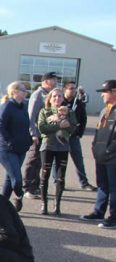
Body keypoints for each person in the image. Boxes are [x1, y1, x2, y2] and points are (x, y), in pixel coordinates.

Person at [80, 80, 116, 229]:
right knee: (102, 185)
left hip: (113, 156)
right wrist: (95, 146)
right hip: (100, 155)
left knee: (114, 188)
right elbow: (98, 131)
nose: (102, 95)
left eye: (105, 92)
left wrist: (110, 150)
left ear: (114, 91)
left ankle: (114, 217)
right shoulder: (105, 110)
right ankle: (98, 211)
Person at [38, 88, 77, 215]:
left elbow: (73, 128)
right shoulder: (45, 111)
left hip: (63, 147)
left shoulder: (69, 111)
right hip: (48, 146)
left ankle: (57, 204)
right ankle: (44, 204)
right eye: (54, 96)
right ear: (50, 98)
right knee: (45, 175)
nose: (57, 99)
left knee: (60, 177)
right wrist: (59, 125)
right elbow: (42, 128)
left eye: (60, 96)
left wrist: (66, 124)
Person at [0, 81, 32, 212]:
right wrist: (10, 141)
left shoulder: (23, 107)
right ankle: (19, 196)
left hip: (21, 148)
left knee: (10, 177)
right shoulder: (7, 106)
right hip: (6, 148)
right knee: (16, 178)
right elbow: (0, 127)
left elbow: (26, 126)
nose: (25, 92)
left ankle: (1, 206)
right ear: (14, 91)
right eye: (22, 90)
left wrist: (29, 140)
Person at [53, 81, 97, 191]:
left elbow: (83, 119)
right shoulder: (59, 101)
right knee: (58, 161)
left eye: (74, 88)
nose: (73, 90)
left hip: (73, 137)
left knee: (78, 160)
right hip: (61, 137)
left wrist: (79, 133)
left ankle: (84, 182)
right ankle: (58, 182)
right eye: (71, 88)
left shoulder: (78, 103)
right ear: (65, 90)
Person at [23, 72, 58, 199]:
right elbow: (31, 116)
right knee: (33, 160)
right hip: (37, 134)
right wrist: (33, 134)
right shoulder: (38, 95)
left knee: (39, 162)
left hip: (45, 134)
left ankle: (35, 186)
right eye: (54, 80)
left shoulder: (48, 95)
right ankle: (28, 188)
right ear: (47, 81)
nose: (56, 82)